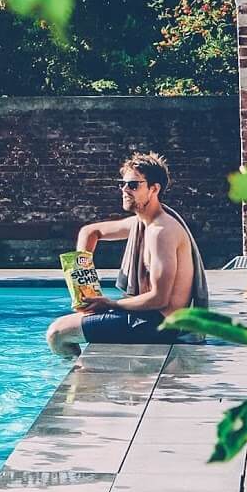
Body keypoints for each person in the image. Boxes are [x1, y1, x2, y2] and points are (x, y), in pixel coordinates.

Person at [47, 151, 211, 359]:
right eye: (123, 184)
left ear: (154, 189)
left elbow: (159, 299)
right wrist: (81, 285)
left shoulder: (161, 232)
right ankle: (85, 374)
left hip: (158, 324)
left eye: (133, 185)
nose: (125, 190)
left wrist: (110, 304)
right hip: (145, 317)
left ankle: (83, 384)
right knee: (71, 326)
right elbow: (90, 232)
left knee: (57, 334)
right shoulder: (141, 222)